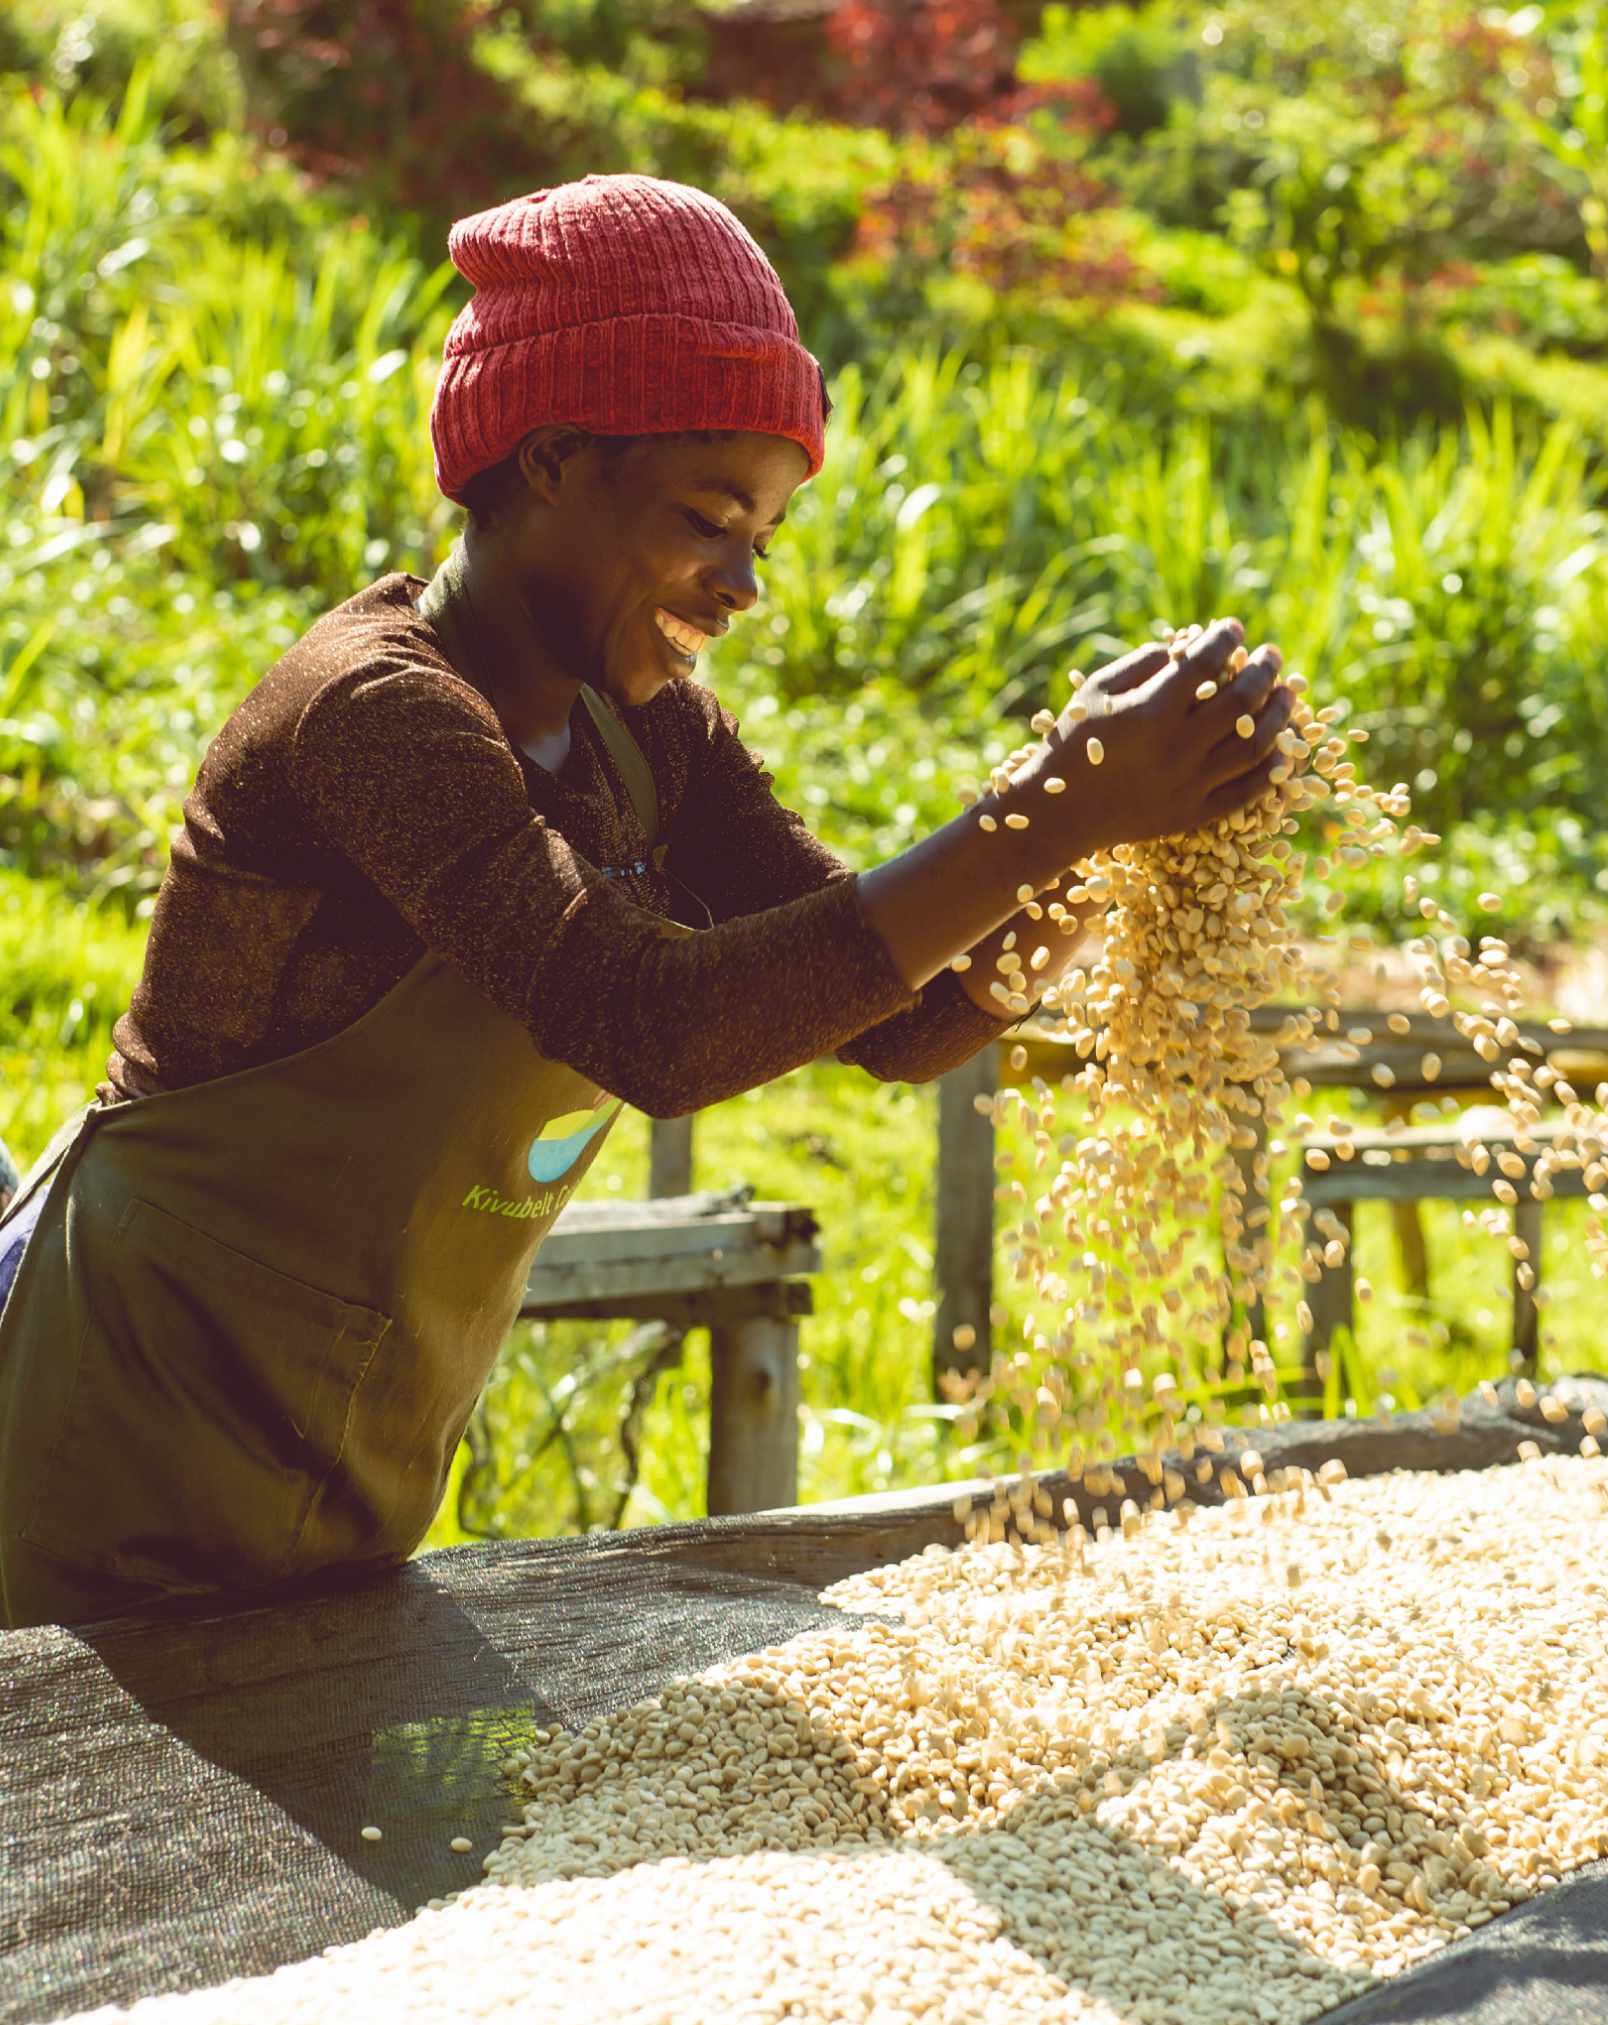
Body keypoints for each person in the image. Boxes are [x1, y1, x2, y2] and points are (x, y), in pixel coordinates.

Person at [0, 173, 1294, 1630]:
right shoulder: (372, 714)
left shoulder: (652, 735)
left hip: (349, 1463)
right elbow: (651, 1028)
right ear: (550, 458)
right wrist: (1041, 807)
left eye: (768, 536)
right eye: (709, 517)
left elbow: (906, 1023)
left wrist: (1089, 845)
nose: (744, 582)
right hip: (121, 1445)